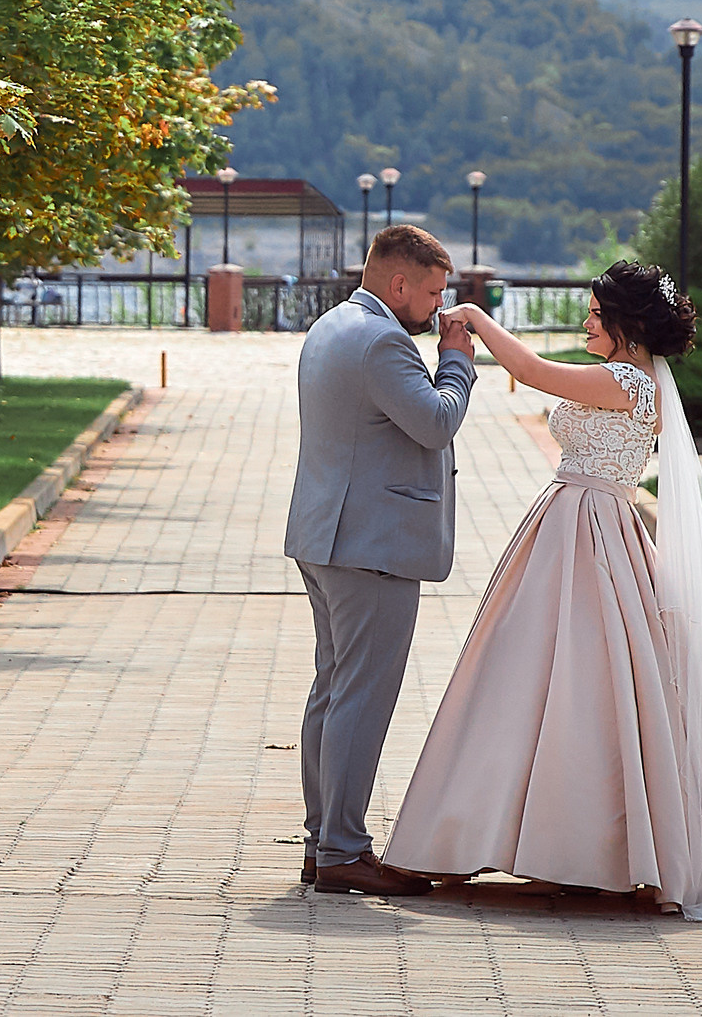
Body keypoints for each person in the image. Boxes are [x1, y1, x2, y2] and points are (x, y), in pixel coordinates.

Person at [382, 260, 702, 921]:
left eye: (595, 312)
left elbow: (528, 371)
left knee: (567, 678)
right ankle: (577, 846)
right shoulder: (642, 383)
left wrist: (473, 318)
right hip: (585, 523)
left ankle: (572, 847)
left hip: (586, 527)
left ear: (627, 323)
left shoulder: (624, 379)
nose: (586, 320)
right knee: (575, 680)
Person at [284, 222, 476, 897]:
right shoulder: (384, 339)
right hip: (371, 545)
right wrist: (457, 357)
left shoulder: (334, 323)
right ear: (398, 283)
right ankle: (342, 848)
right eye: (431, 292)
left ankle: (322, 842)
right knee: (360, 697)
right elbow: (435, 420)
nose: (438, 307)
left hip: (326, 535)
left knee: (333, 691)